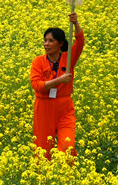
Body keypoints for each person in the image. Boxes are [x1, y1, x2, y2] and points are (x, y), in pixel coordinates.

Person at [29, 12, 83, 158]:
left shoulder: (69, 57)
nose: (46, 44)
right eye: (45, 40)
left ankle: (66, 177)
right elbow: (37, 85)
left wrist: (75, 23)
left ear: (60, 44)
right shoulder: (38, 61)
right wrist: (59, 80)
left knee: (67, 146)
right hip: (44, 107)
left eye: (51, 41)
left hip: (64, 107)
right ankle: (44, 179)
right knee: (43, 150)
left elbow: (80, 42)